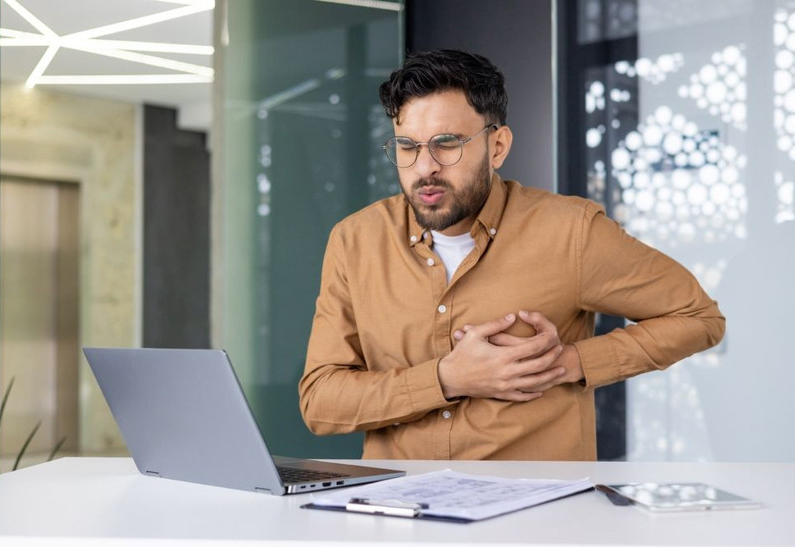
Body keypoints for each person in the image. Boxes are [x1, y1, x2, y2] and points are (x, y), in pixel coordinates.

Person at [298, 49, 725, 460]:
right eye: (407, 146)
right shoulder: (355, 241)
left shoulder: (570, 232)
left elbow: (699, 317)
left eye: (447, 144)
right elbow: (319, 402)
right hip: (400, 518)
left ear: (498, 146)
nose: (424, 167)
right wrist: (446, 378)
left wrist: (572, 363)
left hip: (535, 519)